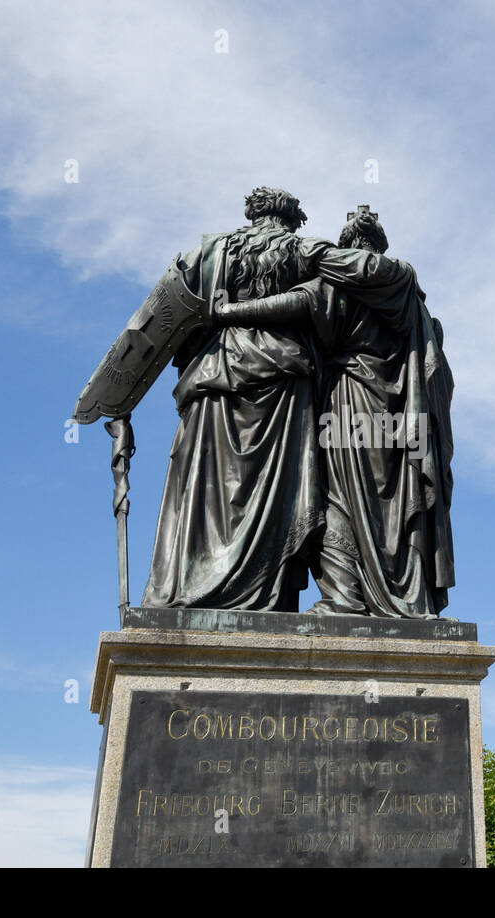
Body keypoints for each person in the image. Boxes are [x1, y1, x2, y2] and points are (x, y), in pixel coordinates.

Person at [142, 188, 416, 612]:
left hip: (215, 378)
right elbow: (364, 272)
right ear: (291, 218)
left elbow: (155, 324)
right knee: (285, 491)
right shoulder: (302, 248)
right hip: (281, 379)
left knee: (209, 487)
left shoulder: (208, 252)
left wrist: (120, 403)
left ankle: (192, 588)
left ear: (252, 214)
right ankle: (264, 595)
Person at [215, 207, 455, 617]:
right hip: (400, 418)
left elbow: (293, 304)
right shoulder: (410, 299)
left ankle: (345, 597)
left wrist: (230, 312)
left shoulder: (347, 282)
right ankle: (405, 595)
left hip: (350, 403)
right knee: (395, 503)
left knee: (335, 496)